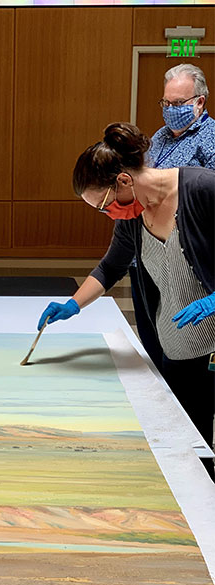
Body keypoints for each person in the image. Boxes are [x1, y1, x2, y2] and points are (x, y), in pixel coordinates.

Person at [37, 123, 215, 479]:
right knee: (188, 440)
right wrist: (73, 304)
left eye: (103, 205)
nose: (108, 214)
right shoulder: (134, 215)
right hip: (175, 342)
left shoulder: (203, 189)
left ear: (123, 181)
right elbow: (111, 266)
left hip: (211, 343)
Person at [131, 64, 215, 369]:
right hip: (148, 253)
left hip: (187, 259)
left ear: (200, 101)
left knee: (187, 345)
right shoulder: (160, 137)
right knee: (153, 332)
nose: (170, 110)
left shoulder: (211, 139)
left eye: (178, 104)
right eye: (166, 103)